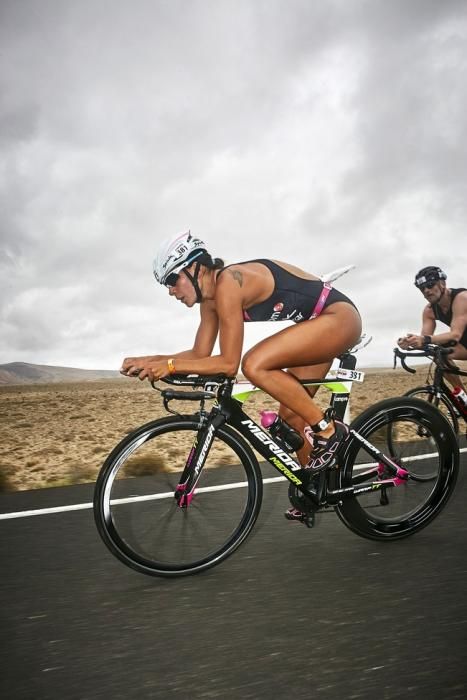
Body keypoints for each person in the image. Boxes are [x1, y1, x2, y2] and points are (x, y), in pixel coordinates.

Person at [121, 230, 362, 521]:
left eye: (173, 280)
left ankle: (328, 431)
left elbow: (227, 364)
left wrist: (170, 366)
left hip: (338, 318)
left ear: (195, 267)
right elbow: (200, 354)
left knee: (254, 364)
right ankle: (318, 489)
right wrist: (149, 361)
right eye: (167, 285)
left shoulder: (228, 283)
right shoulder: (210, 301)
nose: (172, 290)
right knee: (291, 417)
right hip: (317, 326)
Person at [397, 265, 467, 392]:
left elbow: (456, 334)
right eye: (422, 288)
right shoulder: (429, 311)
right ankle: (464, 399)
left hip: (460, 338)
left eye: (430, 285)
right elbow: (424, 342)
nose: (426, 291)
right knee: (440, 356)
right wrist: (410, 342)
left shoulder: (461, 297)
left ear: (442, 283)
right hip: (464, 345)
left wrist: (424, 339)